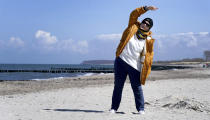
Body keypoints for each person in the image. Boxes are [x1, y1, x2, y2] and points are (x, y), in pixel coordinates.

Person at [109, 6, 158, 114]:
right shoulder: (132, 27)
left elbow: (149, 57)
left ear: (149, 28)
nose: (144, 24)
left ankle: (141, 109)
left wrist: (145, 71)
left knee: (137, 88)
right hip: (121, 61)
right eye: (144, 22)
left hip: (134, 66)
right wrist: (145, 8)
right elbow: (134, 14)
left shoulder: (149, 40)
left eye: (147, 24)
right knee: (118, 86)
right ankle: (113, 108)